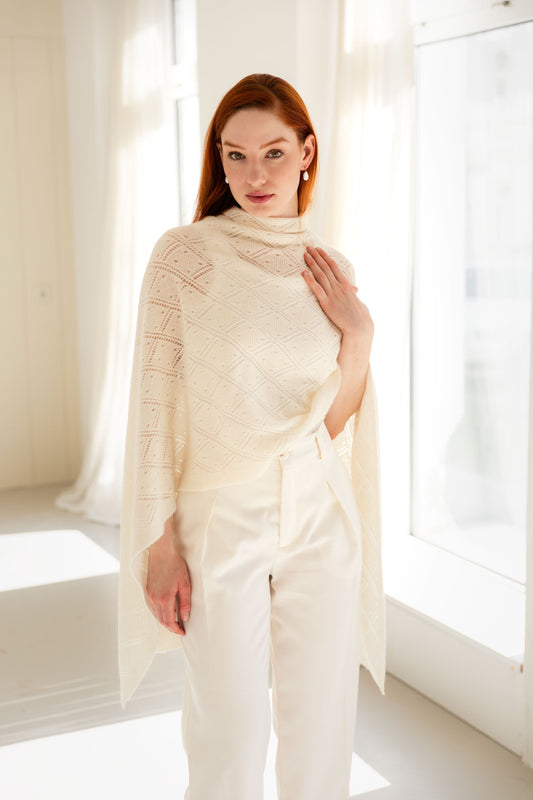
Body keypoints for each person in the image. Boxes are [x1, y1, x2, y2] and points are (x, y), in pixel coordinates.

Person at [119, 73, 385, 800]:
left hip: (320, 509)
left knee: (320, 731)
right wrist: (158, 543)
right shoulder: (185, 256)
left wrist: (357, 342)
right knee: (227, 735)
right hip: (220, 513)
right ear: (217, 158)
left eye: (272, 152)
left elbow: (331, 425)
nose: (253, 174)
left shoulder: (329, 270)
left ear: (307, 152)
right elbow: (151, 409)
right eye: (234, 155)